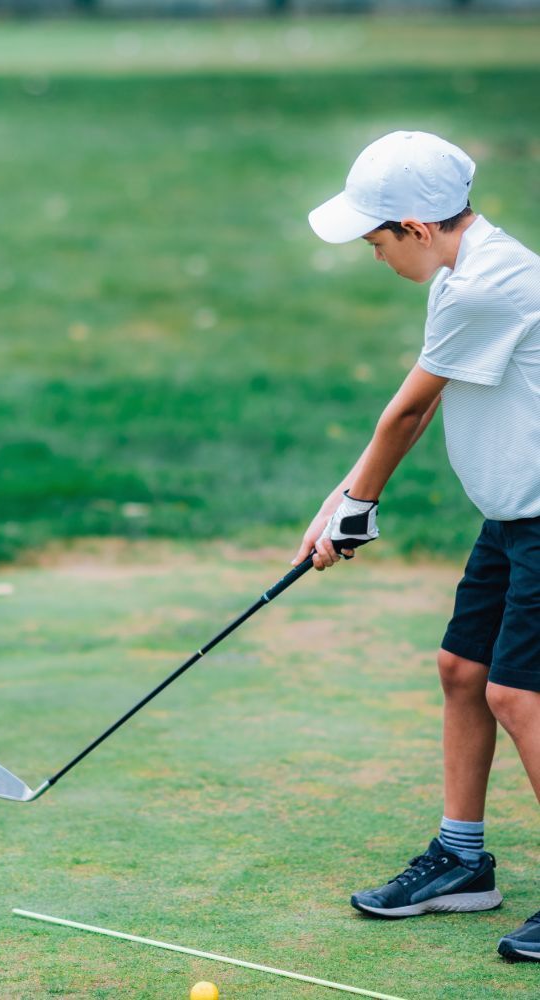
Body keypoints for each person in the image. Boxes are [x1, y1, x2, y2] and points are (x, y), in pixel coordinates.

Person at [296, 130, 540, 961]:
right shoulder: (464, 271)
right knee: (463, 671)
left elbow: (403, 413)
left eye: (376, 240)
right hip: (514, 516)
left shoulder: (487, 286)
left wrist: (357, 504)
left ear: (416, 226)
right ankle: (462, 862)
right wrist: (346, 496)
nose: (374, 254)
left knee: (519, 696)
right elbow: (424, 404)